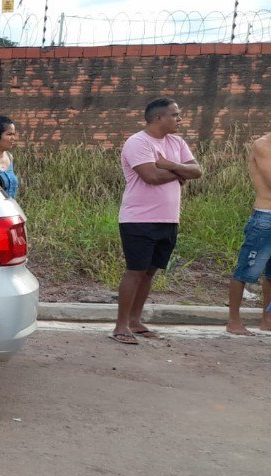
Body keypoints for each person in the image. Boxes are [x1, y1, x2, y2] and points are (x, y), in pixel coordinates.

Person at [111, 98, 203, 345]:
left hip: (168, 219)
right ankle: (120, 326)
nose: (180, 119)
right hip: (139, 219)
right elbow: (150, 175)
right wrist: (179, 173)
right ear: (158, 118)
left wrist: (171, 166)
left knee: (150, 272)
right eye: (175, 115)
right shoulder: (138, 142)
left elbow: (197, 171)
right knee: (135, 271)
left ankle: (135, 321)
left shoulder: (177, 142)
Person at [225, 133, 271, 335]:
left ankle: (267, 320)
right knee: (245, 270)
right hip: (266, 217)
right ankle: (233, 321)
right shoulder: (263, 145)